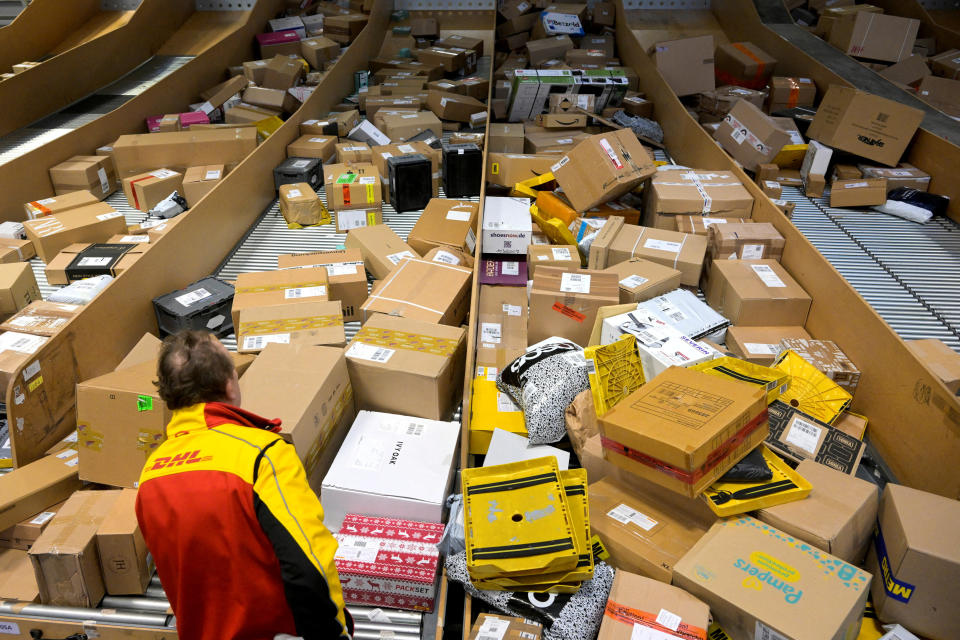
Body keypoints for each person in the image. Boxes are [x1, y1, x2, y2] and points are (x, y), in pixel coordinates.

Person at [135, 330, 353, 640]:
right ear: (229, 386)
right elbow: (308, 565)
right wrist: (335, 633)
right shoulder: (261, 454)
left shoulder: (151, 474)